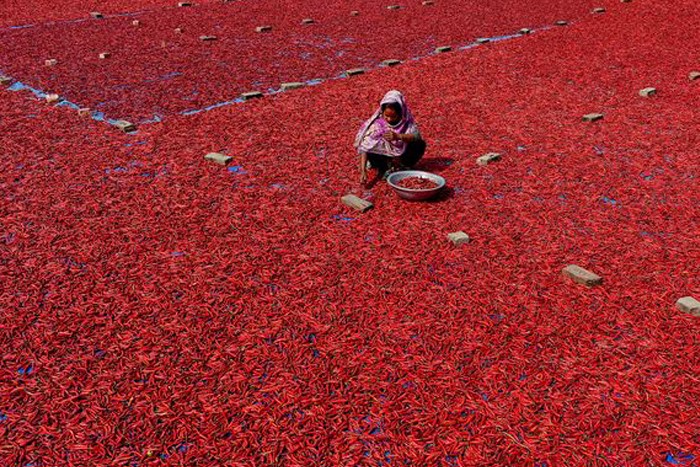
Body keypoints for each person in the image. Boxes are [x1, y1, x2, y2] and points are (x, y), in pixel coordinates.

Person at [354, 90, 426, 185]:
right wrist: (363, 171)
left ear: (400, 113)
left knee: (419, 144)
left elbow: (416, 136)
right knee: (372, 146)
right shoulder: (378, 125)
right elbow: (364, 148)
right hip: (382, 157)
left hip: (401, 155)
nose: (389, 119)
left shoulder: (406, 121)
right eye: (386, 116)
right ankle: (385, 166)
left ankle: (403, 164)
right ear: (382, 111)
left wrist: (398, 136)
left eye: (393, 116)